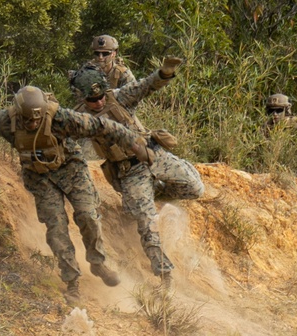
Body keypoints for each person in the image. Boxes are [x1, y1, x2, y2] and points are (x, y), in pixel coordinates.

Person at [0, 86, 134, 295]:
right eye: (28, 120)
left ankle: (98, 263)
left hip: (71, 168)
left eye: (37, 120)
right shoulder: (4, 120)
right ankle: (72, 281)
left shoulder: (60, 117)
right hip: (39, 177)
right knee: (56, 228)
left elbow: (100, 125)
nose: (33, 124)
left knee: (88, 215)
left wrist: (134, 143)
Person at [68, 59, 202, 280]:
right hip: (129, 172)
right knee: (147, 223)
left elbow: (145, 86)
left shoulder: (119, 97)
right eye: (92, 99)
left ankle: (153, 191)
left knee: (195, 189)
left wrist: (165, 72)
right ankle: (164, 274)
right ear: (82, 97)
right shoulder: (79, 118)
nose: (99, 101)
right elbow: (62, 139)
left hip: (153, 155)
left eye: (101, 95)